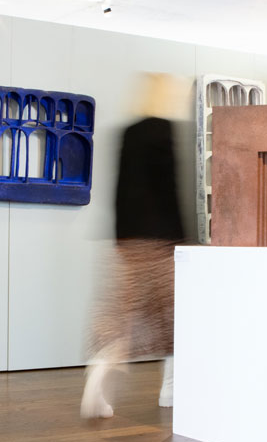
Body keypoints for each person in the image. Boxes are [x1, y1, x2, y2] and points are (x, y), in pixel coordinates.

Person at [80, 74, 188, 419]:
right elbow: (171, 191)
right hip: (161, 243)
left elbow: (118, 192)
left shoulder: (127, 132)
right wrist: (185, 240)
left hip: (126, 242)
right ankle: (171, 390)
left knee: (119, 317)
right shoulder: (165, 130)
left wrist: (120, 239)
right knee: (176, 319)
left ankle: (98, 377)